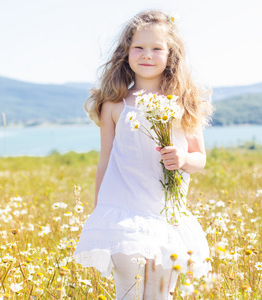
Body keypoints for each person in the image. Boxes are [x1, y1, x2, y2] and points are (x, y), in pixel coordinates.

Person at [73, 10, 214, 300]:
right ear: (126, 53)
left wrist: (184, 160)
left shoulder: (183, 101)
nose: (146, 55)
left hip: (166, 214)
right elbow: (106, 159)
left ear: (171, 55)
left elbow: (200, 158)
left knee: (160, 293)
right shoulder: (114, 104)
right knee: (128, 290)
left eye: (157, 48)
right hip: (123, 212)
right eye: (138, 47)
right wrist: (99, 210)